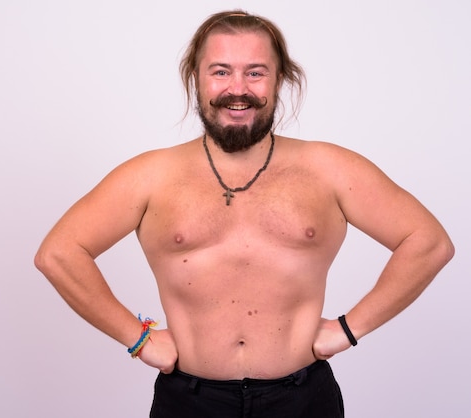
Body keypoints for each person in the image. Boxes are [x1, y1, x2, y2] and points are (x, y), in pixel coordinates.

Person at [34, 10, 454, 418]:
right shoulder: (150, 175)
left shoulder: (329, 168)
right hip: (189, 400)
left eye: (255, 72)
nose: (239, 88)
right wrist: (138, 339)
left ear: (280, 79)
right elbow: (60, 253)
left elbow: (428, 242)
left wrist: (349, 329)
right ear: (195, 79)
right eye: (220, 71)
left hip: (303, 399)